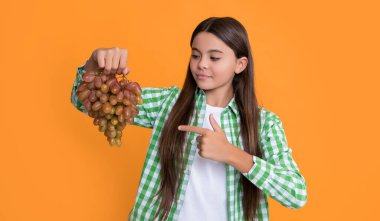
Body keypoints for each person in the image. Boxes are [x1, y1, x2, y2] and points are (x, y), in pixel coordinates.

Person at [70, 16, 307, 221]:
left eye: (214, 58)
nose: (201, 65)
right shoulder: (169, 104)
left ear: (240, 64)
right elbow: (84, 102)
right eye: (196, 55)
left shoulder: (264, 124)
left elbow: (296, 194)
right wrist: (93, 65)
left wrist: (232, 154)